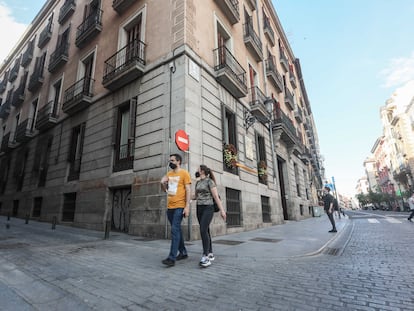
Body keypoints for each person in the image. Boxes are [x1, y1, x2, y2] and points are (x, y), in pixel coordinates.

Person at [160, 154, 191, 267]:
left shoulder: (184, 173)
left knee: (174, 229)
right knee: (176, 230)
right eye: (170, 160)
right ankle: (183, 252)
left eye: (172, 160)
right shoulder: (169, 174)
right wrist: (162, 183)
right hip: (170, 207)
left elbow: (188, 190)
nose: (170, 162)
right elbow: (165, 190)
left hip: (180, 206)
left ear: (178, 161)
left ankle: (171, 258)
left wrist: (187, 206)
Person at [193, 165, 226, 267]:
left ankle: (206, 256)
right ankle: (210, 252)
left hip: (208, 207)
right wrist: (185, 198)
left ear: (202, 171)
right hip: (199, 208)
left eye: (198, 168)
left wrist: (222, 210)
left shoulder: (210, 182)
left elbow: (216, 196)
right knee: (205, 230)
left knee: (203, 230)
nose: (196, 170)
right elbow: (196, 196)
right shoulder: (198, 182)